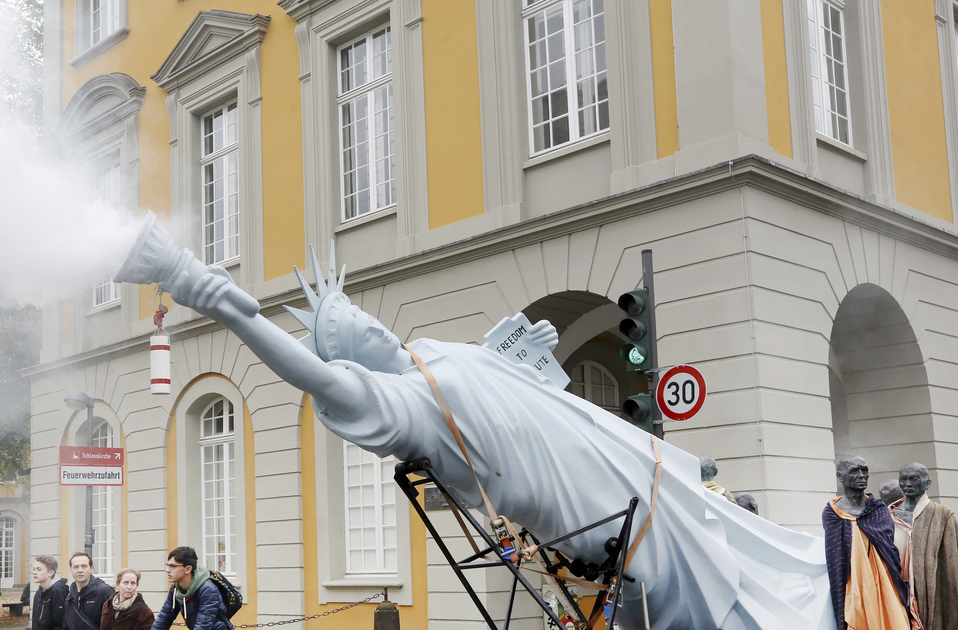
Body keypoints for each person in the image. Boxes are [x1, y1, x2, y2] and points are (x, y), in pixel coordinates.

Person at [116, 221, 836, 629]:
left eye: (358, 312)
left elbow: (539, 386)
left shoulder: (436, 354)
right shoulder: (403, 407)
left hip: (622, 462)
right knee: (695, 584)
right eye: (347, 327)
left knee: (732, 538)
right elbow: (307, 372)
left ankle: (823, 576)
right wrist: (205, 290)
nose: (364, 320)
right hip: (594, 506)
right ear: (350, 361)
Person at [822, 456, 910, 630]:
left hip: (885, 583)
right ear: (840, 477)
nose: (862, 475)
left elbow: (889, 550)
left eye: (864, 470)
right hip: (852, 585)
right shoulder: (833, 513)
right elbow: (834, 556)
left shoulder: (878, 510)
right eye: (855, 471)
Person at [895, 463, 958, 630]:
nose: (907, 484)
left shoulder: (943, 515)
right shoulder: (889, 514)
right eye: (903, 479)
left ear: (927, 484)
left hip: (930, 592)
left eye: (914, 479)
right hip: (896, 590)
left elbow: (951, 566)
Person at [151, 547, 231, 630]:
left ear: (188, 569)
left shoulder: (207, 589)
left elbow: (203, 626)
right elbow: (164, 617)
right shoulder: (175, 588)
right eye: (167, 565)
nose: (167, 570)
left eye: (173, 566)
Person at [64, 552, 115, 630]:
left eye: (84, 566)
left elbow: (113, 624)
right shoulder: (70, 595)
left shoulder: (104, 592)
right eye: (76, 567)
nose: (80, 570)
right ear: (71, 570)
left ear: (91, 569)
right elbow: (66, 625)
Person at [32, 555, 68, 630]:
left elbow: (61, 623)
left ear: (51, 573)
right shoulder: (39, 592)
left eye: (39, 569)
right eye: (34, 569)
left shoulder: (58, 591)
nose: (34, 572)